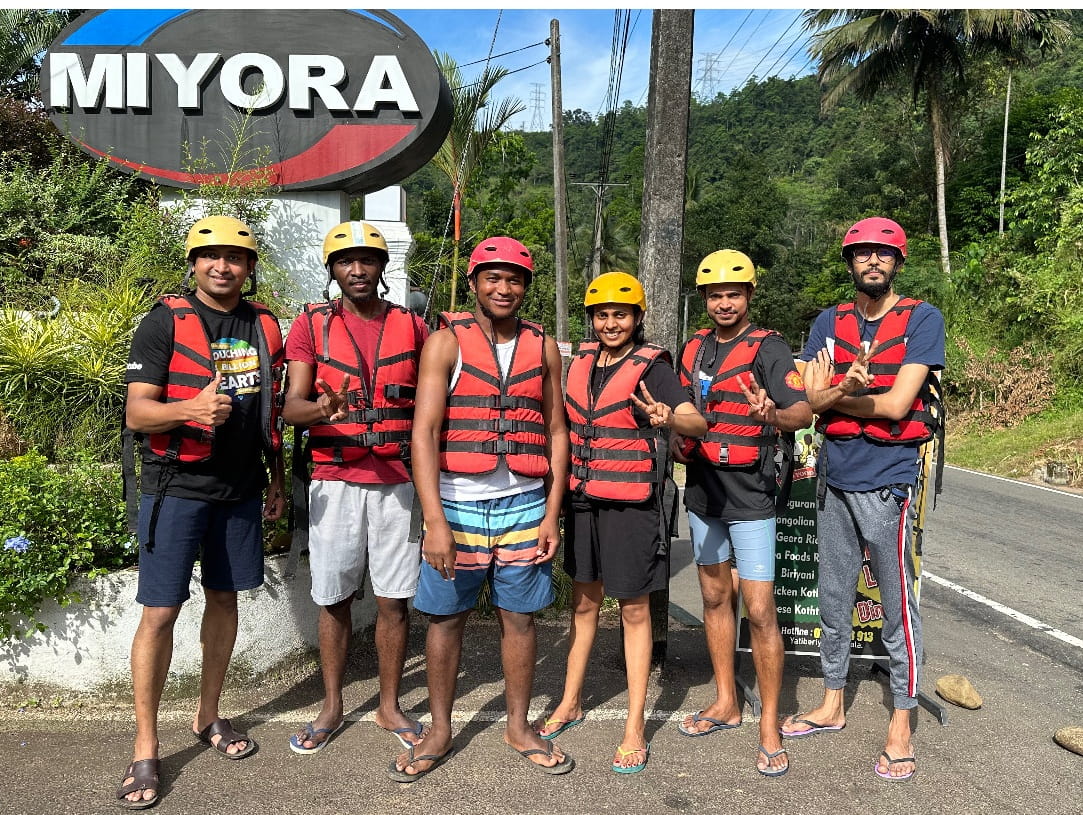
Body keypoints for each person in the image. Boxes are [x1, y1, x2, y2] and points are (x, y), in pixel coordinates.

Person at [389, 236, 573, 781]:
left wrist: (551, 514)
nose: (503, 288)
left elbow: (557, 431)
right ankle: (440, 729)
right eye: (492, 277)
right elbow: (424, 433)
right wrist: (434, 522)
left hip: (524, 504)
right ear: (473, 283)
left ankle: (518, 726)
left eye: (514, 279)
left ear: (526, 288)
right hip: (457, 505)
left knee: (520, 619)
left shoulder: (543, 347)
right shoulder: (446, 343)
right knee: (446, 620)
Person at [118, 215, 286, 809]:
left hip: (240, 488)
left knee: (225, 598)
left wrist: (277, 479)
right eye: (210, 255)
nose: (222, 265)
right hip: (176, 486)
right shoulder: (163, 322)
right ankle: (145, 746)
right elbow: (138, 414)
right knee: (160, 612)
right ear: (193, 263)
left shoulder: (264, 324)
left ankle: (207, 715)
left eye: (235, 257)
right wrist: (189, 409)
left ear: (249, 267)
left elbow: (270, 412)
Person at [783, 217, 944, 783]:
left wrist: (838, 395)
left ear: (897, 262)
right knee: (833, 594)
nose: (872, 261)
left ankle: (901, 719)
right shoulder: (828, 322)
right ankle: (832, 699)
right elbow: (807, 398)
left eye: (883, 253)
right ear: (850, 262)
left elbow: (897, 405)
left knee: (897, 605)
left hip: (888, 478)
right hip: (834, 476)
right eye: (862, 253)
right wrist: (834, 393)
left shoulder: (922, 319)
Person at [536, 272, 707, 775]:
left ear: (637, 318)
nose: (611, 323)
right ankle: (570, 701)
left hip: (632, 506)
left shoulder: (654, 367)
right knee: (583, 603)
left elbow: (697, 422)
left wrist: (668, 417)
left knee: (634, 610)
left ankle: (634, 726)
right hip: (584, 499)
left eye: (621, 314)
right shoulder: (580, 362)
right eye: (602, 315)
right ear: (591, 319)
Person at [281, 221, 429, 754]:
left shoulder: (414, 327)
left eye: (368, 261)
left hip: (399, 481)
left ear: (383, 268)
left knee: (394, 600)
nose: (358, 270)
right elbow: (291, 408)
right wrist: (322, 408)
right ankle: (332, 706)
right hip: (334, 479)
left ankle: (389, 706)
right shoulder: (310, 325)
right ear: (333, 270)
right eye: (346, 261)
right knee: (334, 598)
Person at [670, 250, 811, 778]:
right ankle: (727, 700)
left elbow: (802, 412)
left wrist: (772, 413)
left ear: (749, 295)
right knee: (713, 597)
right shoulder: (694, 348)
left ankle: (769, 723)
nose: (724, 303)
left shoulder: (768, 347)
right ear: (704, 299)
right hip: (704, 490)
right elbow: (681, 408)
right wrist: (671, 427)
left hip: (751, 494)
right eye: (715, 295)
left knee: (759, 609)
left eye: (733, 293)